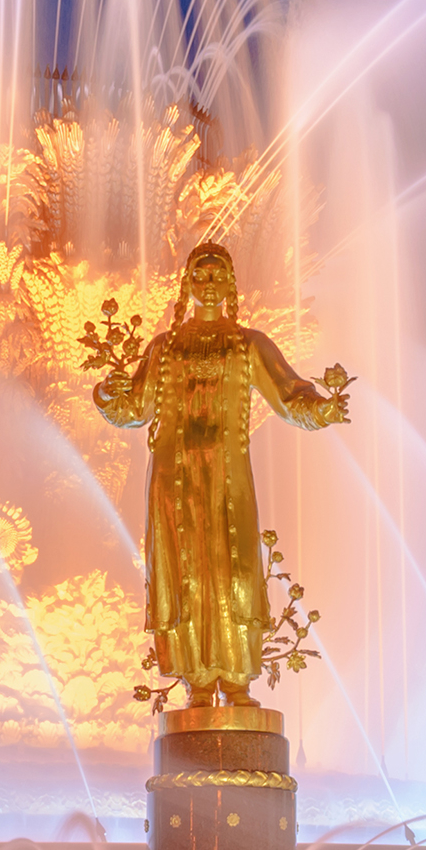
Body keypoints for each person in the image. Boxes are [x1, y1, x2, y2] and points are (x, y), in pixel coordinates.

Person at [93, 242, 351, 707]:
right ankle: (197, 683)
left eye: (217, 276)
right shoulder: (164, 347)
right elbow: (135, 407)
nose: (208, 285)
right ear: (187, 283)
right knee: (184, 574)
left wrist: (324, 409)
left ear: (230, 283)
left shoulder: (248, 344)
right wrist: (106, 394)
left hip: (228, 482)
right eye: (200, 275)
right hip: (173, 481)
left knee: (234, 569)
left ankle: (236, 681)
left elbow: (290, 397)